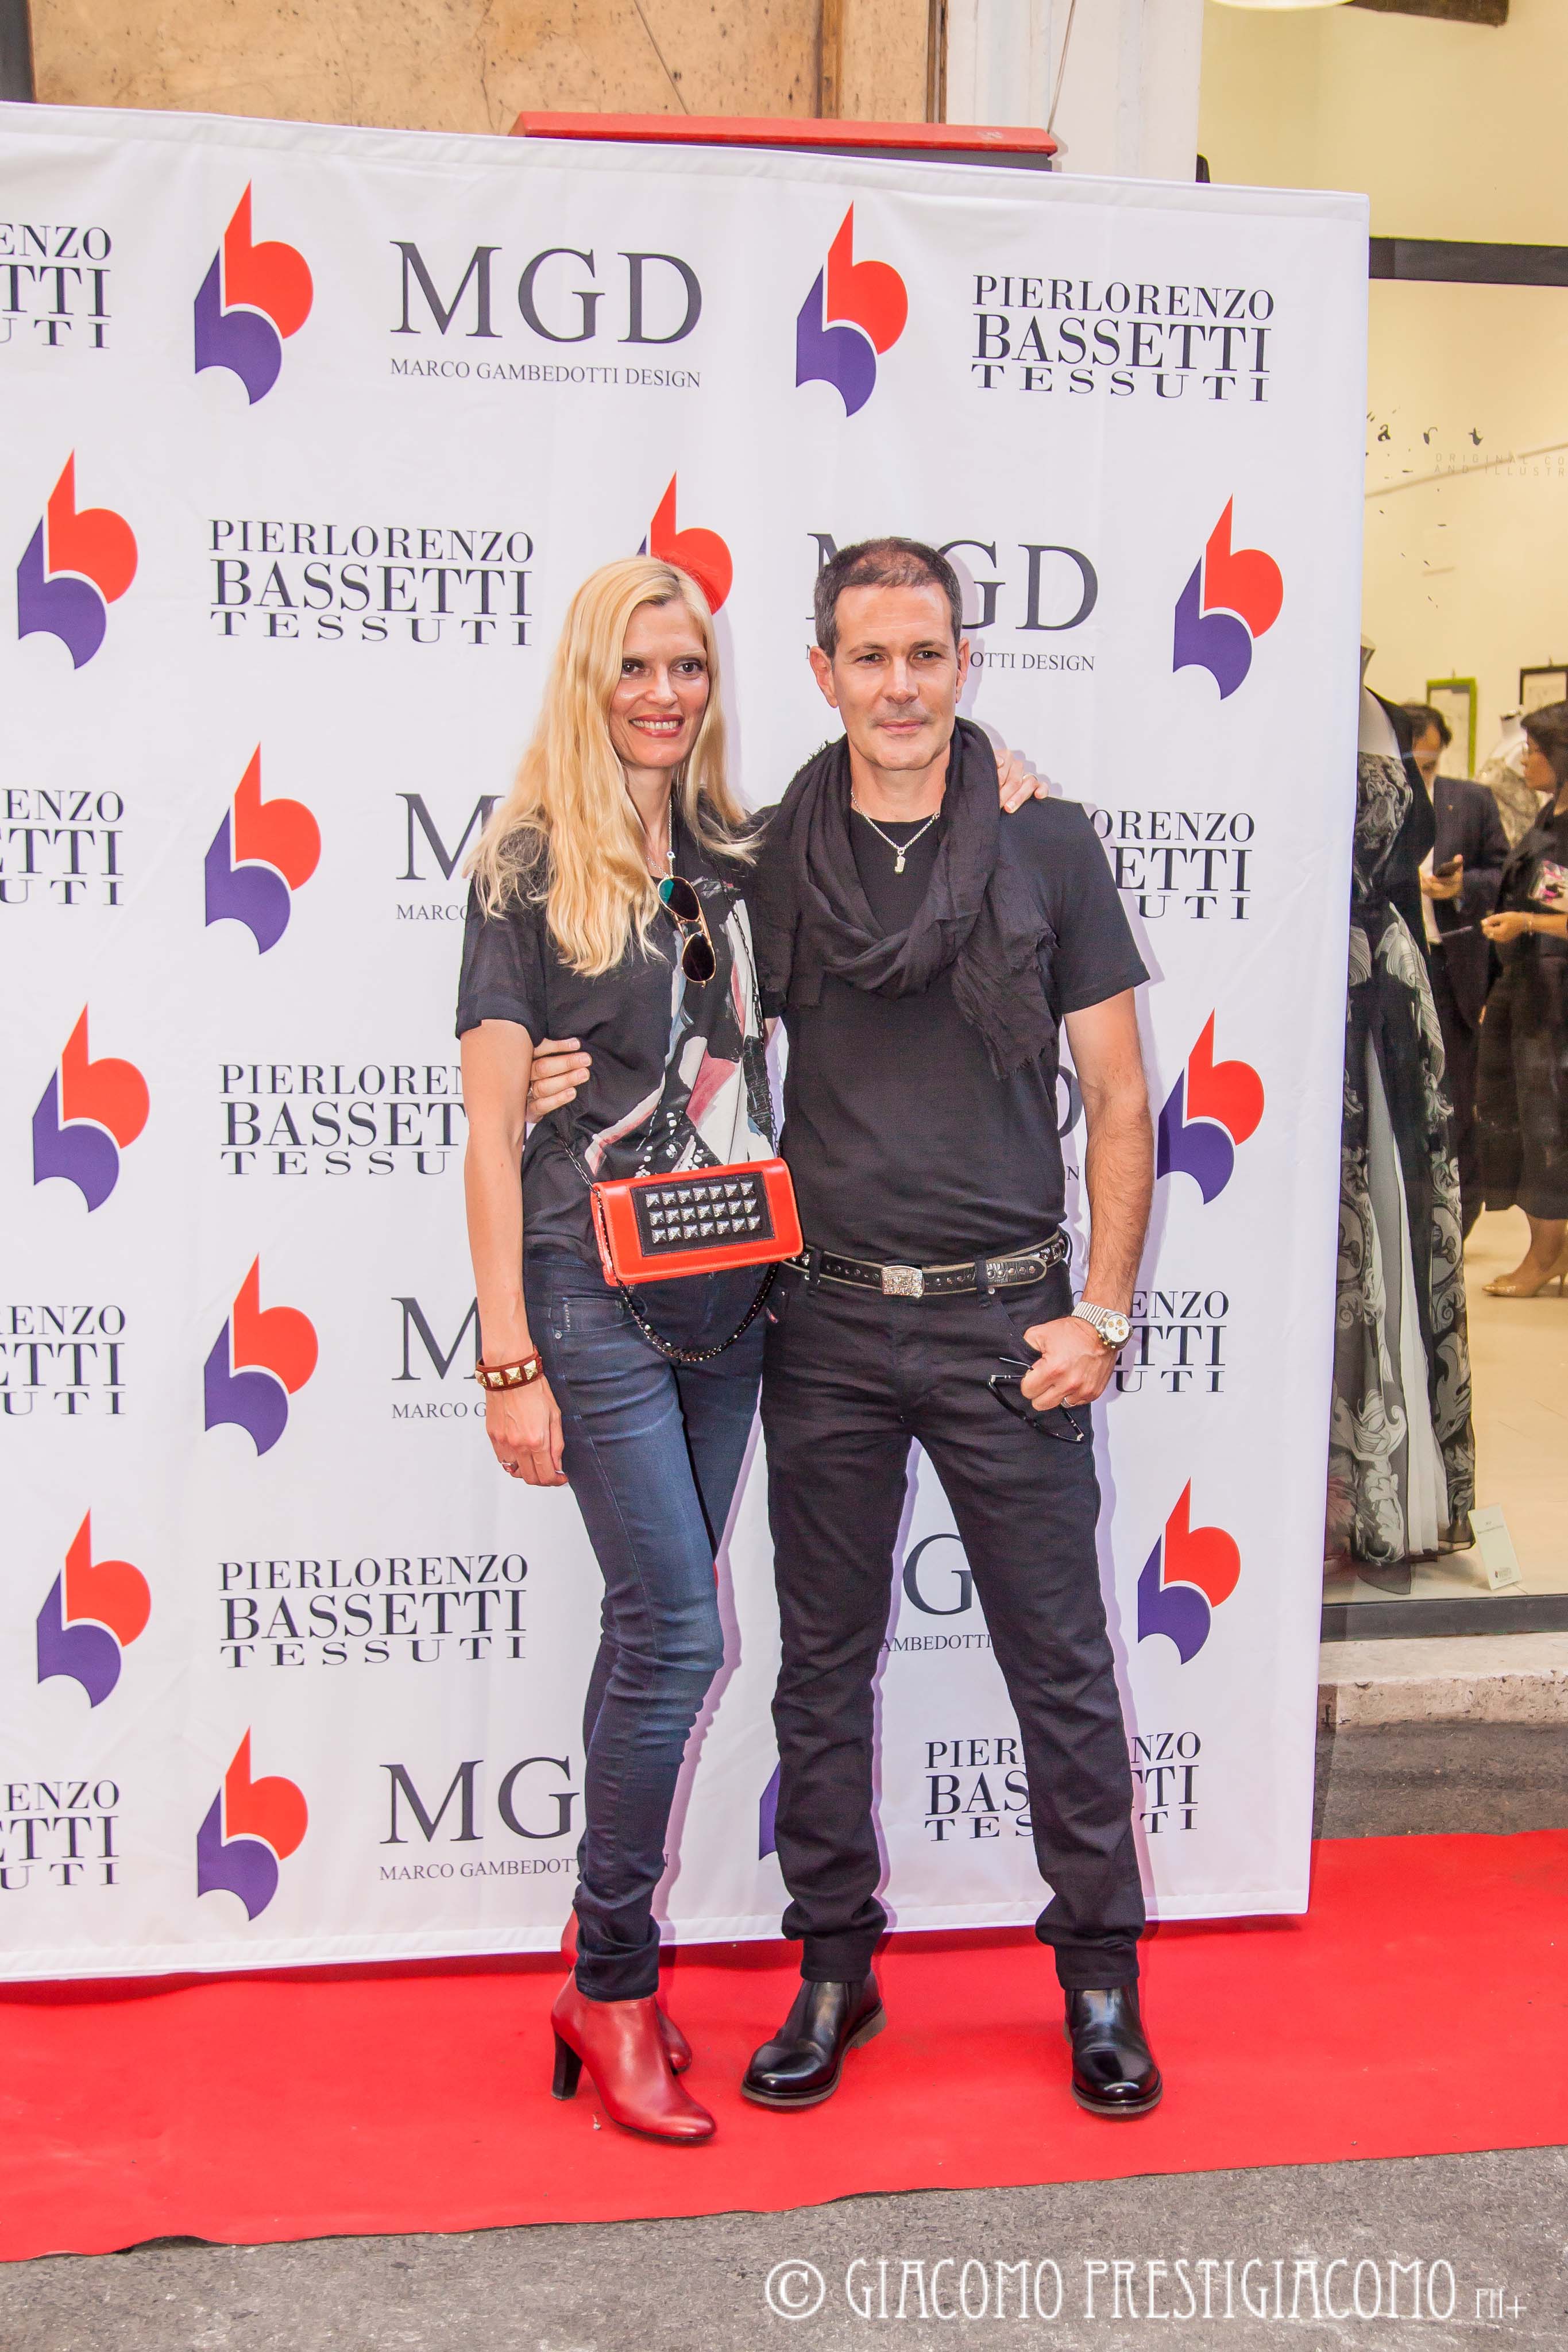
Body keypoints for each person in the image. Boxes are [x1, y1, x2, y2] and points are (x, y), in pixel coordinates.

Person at [480, 557, 1045, 2145]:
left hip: (739, 1300)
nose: (663, 695)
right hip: (590, 1292)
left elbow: (905, 792)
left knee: (650, 1626)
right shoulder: (528, 863)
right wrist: (507, 1354)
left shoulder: (743, 849)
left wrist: (1000, 770)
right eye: (634, 666)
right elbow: (485, 1130)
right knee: (675, 1627)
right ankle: (612, 1982)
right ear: (588, 679)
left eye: (687, 668)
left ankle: (597, 1967)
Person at [745, 539, 1159, 2121]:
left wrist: (1100, 1314)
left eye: (926, 653)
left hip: (1010, 1323)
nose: (901, 684)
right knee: (821, 1671)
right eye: (870, 655)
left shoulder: (1045, 840)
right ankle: (832, 1967)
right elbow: (677, 1012)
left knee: (1061, 1666)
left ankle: (1099, 1977)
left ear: (964, 663)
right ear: (825, 672)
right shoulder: (772, 853)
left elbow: (1119, 1100)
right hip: (828, 1325)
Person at [1326, 689, 1474, 1589]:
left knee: (1388, 1222)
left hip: (1381, 984)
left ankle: (1382, 1488)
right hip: (1324, 982)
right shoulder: (1294, 694)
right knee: (1345, 1229)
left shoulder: (1374, 708)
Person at [1401, 702, 1509, 1236]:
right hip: (1395, 961)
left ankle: (1461, 1217)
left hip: (1450, 965)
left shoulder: (1470, 799)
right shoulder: (1376, 795)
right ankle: (1411, 1216)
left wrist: (1463, 886)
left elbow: (1504, 872)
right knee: (1406, 1094)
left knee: (1458, 1094)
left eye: (1431, 761)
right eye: (1415, 760)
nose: (1424, 770)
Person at [1476, 698, 1568, 1298]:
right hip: (1524, 986)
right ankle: (1549, 1249)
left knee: (1547, 1124)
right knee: (1516, 1118)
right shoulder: (1547, 815)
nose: (1525, 761)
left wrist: (1528, 924)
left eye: (1535, 751)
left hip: (1555, 998)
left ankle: (1545, 1256)